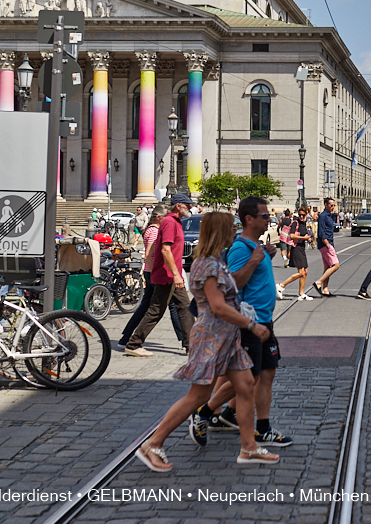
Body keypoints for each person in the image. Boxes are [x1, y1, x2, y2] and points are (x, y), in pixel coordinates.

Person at [134, 212, 279, 472]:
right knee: (198, 395)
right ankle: (153, 443)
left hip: (228, 337)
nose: (234, 232)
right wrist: (251, 325)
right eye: (230, 228)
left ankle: (249, 448)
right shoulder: (206, 265)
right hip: (211, 338)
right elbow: (217, 306)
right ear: (218, 232)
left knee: (246, 386)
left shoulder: (217, 261)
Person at [194, 196, 293, 450]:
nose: (268, 218)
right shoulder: (241, 249)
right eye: (263, 215)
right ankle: (206, 411)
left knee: (266, 374)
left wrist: (263, 256)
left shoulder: (256, 246)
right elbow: (234, 284)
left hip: (264, 320)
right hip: (249, 322)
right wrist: (254, 261)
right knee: (248, 378)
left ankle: (257, 426)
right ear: (250, 219)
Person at [126, 193, 196, 357]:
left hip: (171, 275)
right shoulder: (170, 222)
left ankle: (191, 346)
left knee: (185, 308)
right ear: (178, 206)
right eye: (188, 205)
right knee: (156, 310)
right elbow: (165, 249)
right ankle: (134, 343)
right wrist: (176, 275)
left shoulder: (175, 222)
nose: (191, 207)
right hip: (167, 275)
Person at [120, 205, 186, 348]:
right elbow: (150, 253)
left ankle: (126, 337)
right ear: (158, 217)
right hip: (155, 272)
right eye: (164, 217)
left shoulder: (149, 230)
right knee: (168, 306)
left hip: (150, 272)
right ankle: (184, 339)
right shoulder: (155, 231)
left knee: (148, 307)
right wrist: (151, 269)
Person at [278, 207, 313, 300]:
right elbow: (292, 235)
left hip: (301, 248)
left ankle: (301, 294)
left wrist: (308, 238)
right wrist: (304, 238)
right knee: (301, 272)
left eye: (303, 215)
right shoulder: (295, 223)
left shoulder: (303, 223)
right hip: (296, 249)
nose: (301, 217)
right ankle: (281, 286)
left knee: (305, 272)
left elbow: (303, 234)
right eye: (300, 215)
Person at [313, 198, 339, 297]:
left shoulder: (329, 215)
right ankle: (318, 283)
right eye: (331, 205)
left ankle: (325, 289)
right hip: (326, 244)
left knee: (328, 267)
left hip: (327, 244)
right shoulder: (323, 216)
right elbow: (321, 232)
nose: (332, 207)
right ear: (325, 205)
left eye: (333, 205)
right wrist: (327, 244)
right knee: (335, 265)